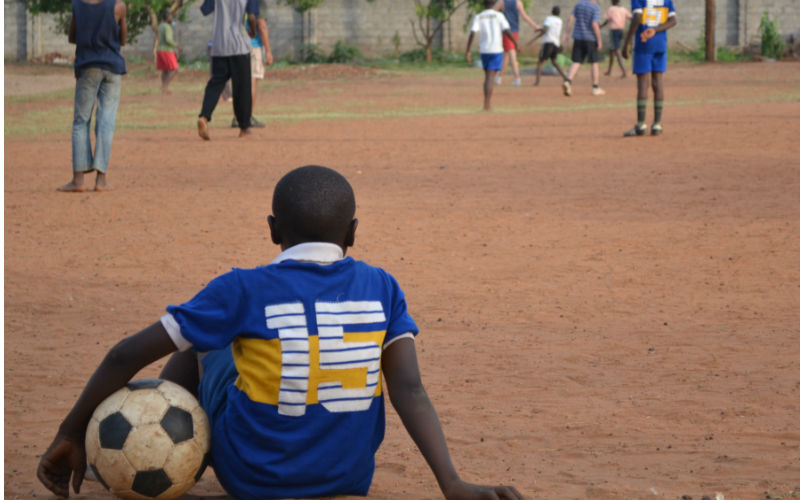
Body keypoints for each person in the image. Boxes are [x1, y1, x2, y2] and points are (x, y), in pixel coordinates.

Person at [36, 165, 525, 500]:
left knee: (205, 337)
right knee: (216, 331)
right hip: (346, 476)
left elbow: (125, 356)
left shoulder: (242, 288)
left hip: (251, 477)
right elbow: (410, 389)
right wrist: (453, 484)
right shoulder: (383, 286)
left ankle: (159, 450)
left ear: (273, 229)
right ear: (352, 231)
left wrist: (70, 430)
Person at [58, 0, 127, 193]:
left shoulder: (78, 5)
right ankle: (101, 180)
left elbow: (72, 37)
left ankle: (78, 180)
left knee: (81, 121)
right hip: (112, 68)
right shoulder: (118, 5)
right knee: (106, 121)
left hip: (87, 66)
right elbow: (122, 40)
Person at [196, 0, 257, 140]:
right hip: (239, 45)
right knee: (242, 88)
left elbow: (205, 10)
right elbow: (252, 17)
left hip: (219, 45)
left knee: (215, 84)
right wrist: (253, 32)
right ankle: (244, 127)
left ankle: (204, 117)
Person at [621, 0, 677, 136]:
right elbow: (673, 20)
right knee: (658, 82)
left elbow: (637, 18)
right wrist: (656, 30)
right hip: (660, 43)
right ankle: (657, 125)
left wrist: (627, 42)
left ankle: (641, 124)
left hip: (643, 43)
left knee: (643, 84)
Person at [466, 0, 519, 111]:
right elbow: (507, 31)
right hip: (496, 49)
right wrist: (515, 43)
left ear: (484, 4)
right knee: (490, 77)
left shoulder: (479, 16)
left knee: (488, 76)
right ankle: (487, 105)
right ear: (493, 4)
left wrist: (468, 50)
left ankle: (487, 103)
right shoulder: (499, 16)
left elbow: (472, 33)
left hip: (484, 50)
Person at [232, 0, 274, 129]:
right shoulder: (259, 2)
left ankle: (237, 117)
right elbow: (261, 26)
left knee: (239, 82)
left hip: (237, 45)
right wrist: (268, 51)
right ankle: (246, 117)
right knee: (251, 82)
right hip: (253, 46)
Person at [561, 0, 605, 97]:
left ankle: (568, 81)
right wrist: (599, 40)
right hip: (590, 38)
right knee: (594, 62)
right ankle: (595, 87)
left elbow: (570, 19)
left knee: (576, 61)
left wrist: (566, 33)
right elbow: (594, 24)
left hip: (578, 38)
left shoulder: (579, 4)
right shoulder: (595, 7)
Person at [492, 0, 541, 86]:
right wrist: (535, 25)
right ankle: (499, 77)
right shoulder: (518, 2)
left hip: (507, 31)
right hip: (515, 31)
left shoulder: (501, 2)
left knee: (511, 54)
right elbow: (524, 16)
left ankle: (517, 78)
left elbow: (491, 13)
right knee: (506, 55)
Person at [529, 6, 569, 86]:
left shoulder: (549, 18)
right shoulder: (560, 21)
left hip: (548, 43)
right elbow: (549, 29)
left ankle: (537, 82)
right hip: (556, 43)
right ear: (559, 13)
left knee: (540, 62)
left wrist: (534, 39)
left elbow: (545, 30)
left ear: (552, 12)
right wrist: (540, 29)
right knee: (554, 62)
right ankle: (566, 78)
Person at [600, 0, 632, 77]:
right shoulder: (623, 9)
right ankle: (609, 71)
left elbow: (607, 20)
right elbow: (631, 17)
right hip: (621, 30)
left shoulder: (611, 9)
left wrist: (601, 26)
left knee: (617, 50)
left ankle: (624, 71)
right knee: (612, 50)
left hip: (614, 31)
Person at [156, 9, 181, 95]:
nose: (172, 18)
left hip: (160, 50)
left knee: (165, 70)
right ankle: (165, 86)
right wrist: (177, 46)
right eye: (171, 17)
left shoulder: (161, 26)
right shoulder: (167, 27)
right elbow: (168, 39)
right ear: (168, 18)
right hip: (166, 50)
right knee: (174, 69)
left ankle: (164, 88)